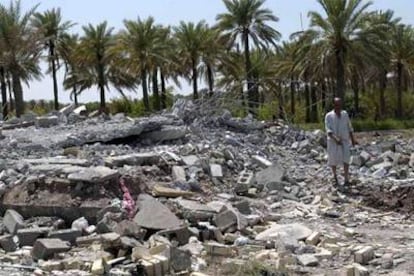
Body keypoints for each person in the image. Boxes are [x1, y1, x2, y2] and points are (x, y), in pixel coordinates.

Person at [325, 97, 357, 186]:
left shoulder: (345, 114)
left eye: (339, 105)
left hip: (344, 140)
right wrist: (335, 138)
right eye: (336, 105)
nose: (338, 107)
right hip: (333, 141)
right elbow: (328, 130)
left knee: (346, 158)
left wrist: (353, 139)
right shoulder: (329, 116)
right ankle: (335, 176)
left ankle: (346, 178)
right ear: (334, 105)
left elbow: (349, 127)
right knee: (333, 159)